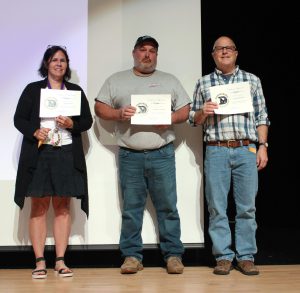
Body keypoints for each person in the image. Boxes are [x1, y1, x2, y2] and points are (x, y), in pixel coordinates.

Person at [94, 35, 191, 274]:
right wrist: (118, 114)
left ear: (156, 55)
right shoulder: (116, 80)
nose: (147, 54)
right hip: (130, 155)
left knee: (168, 206)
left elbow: (185, 110)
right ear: (134, 53)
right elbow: (99, 107)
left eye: (152, 51)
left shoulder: (169, 80)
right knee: (131, 208)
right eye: (142, 50)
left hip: (162, 154)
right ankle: (131, 256)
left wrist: (169, 118)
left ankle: (173, 255)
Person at [189, 36, 270, 276]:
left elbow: (262, 117)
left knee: (247, 208)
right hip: (216, 149)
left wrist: (263, 145)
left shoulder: (251, 80)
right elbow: (192, 119)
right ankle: (223, 256)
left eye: (229, 48)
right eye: (219, 49)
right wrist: (202, 112)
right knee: (217, 207)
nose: (224, 52)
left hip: (246, 148)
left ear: (236, 52)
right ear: (213, 54)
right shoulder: (204, 83)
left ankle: (246, 256)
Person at [14, 45, 93, 279]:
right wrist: (33, 131)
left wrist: (72, 124)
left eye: (63, 60)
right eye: (54, 60)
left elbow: (87, 121)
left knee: (62, 207)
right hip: (39, 153)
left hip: (66, 153)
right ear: (46, 64)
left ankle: (60, 260)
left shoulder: (75, 91)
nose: (59, 64)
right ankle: (39, 262)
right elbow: (19, 118)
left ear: (67, 65)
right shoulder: (33, 90)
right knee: (38, 206)